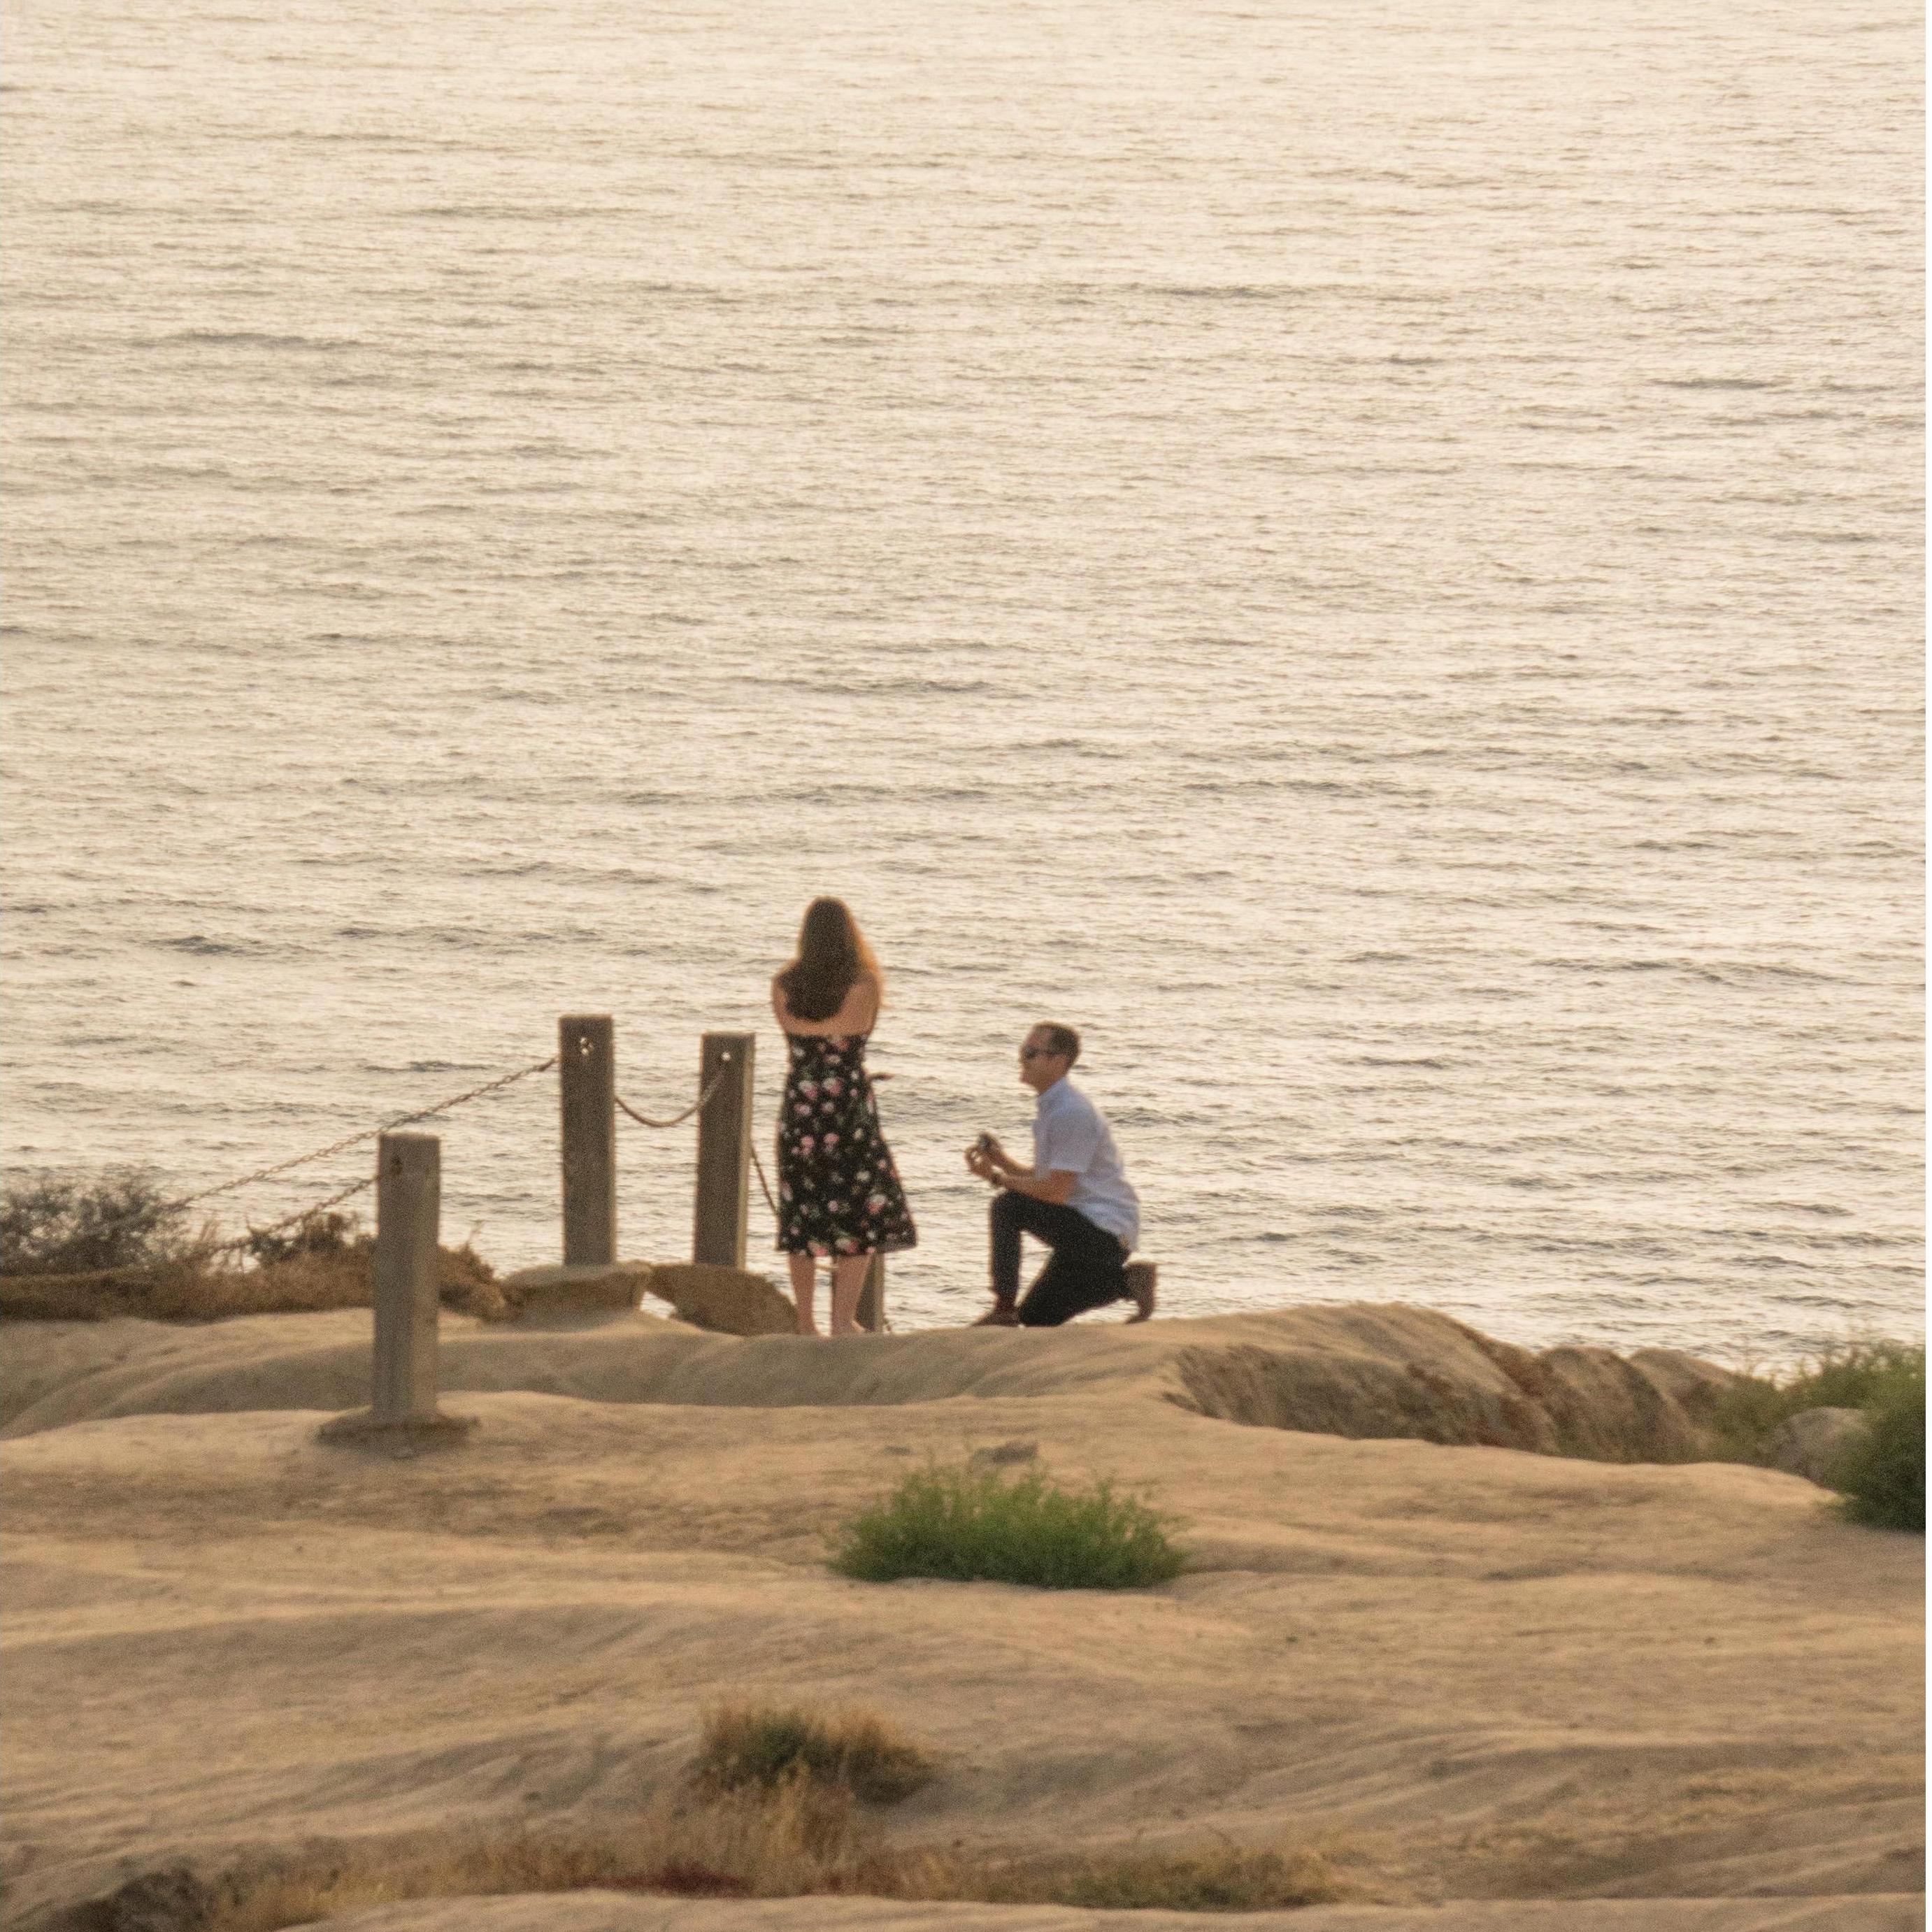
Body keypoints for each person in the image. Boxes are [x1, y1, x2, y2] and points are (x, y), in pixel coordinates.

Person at [771, 898, 917, 1336]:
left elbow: (797, 1031)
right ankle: (841, 1320)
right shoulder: (863, 984)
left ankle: (805, 1321)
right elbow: (853, 1029)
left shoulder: (784, 984)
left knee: (802, 1214)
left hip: (801, 1105)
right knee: (861, 1210)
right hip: (847, 1106)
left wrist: (812, 1034)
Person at [965, 1023, 1152, 1327]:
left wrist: (997, 1179)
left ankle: (1003, 1309)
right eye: (1022, 1051)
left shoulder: (1070, 1112)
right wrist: (1001, 1163)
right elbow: (1046, 1180)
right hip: (1083, 1230)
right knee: (1037, 1318)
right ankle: (1126, 1283)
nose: (1021, 1059)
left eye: (1030, 1053)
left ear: (1058, 1060)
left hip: (1102, 1231)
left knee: (1007, 1206)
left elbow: (1054, 1192)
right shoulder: (1055, 1107)